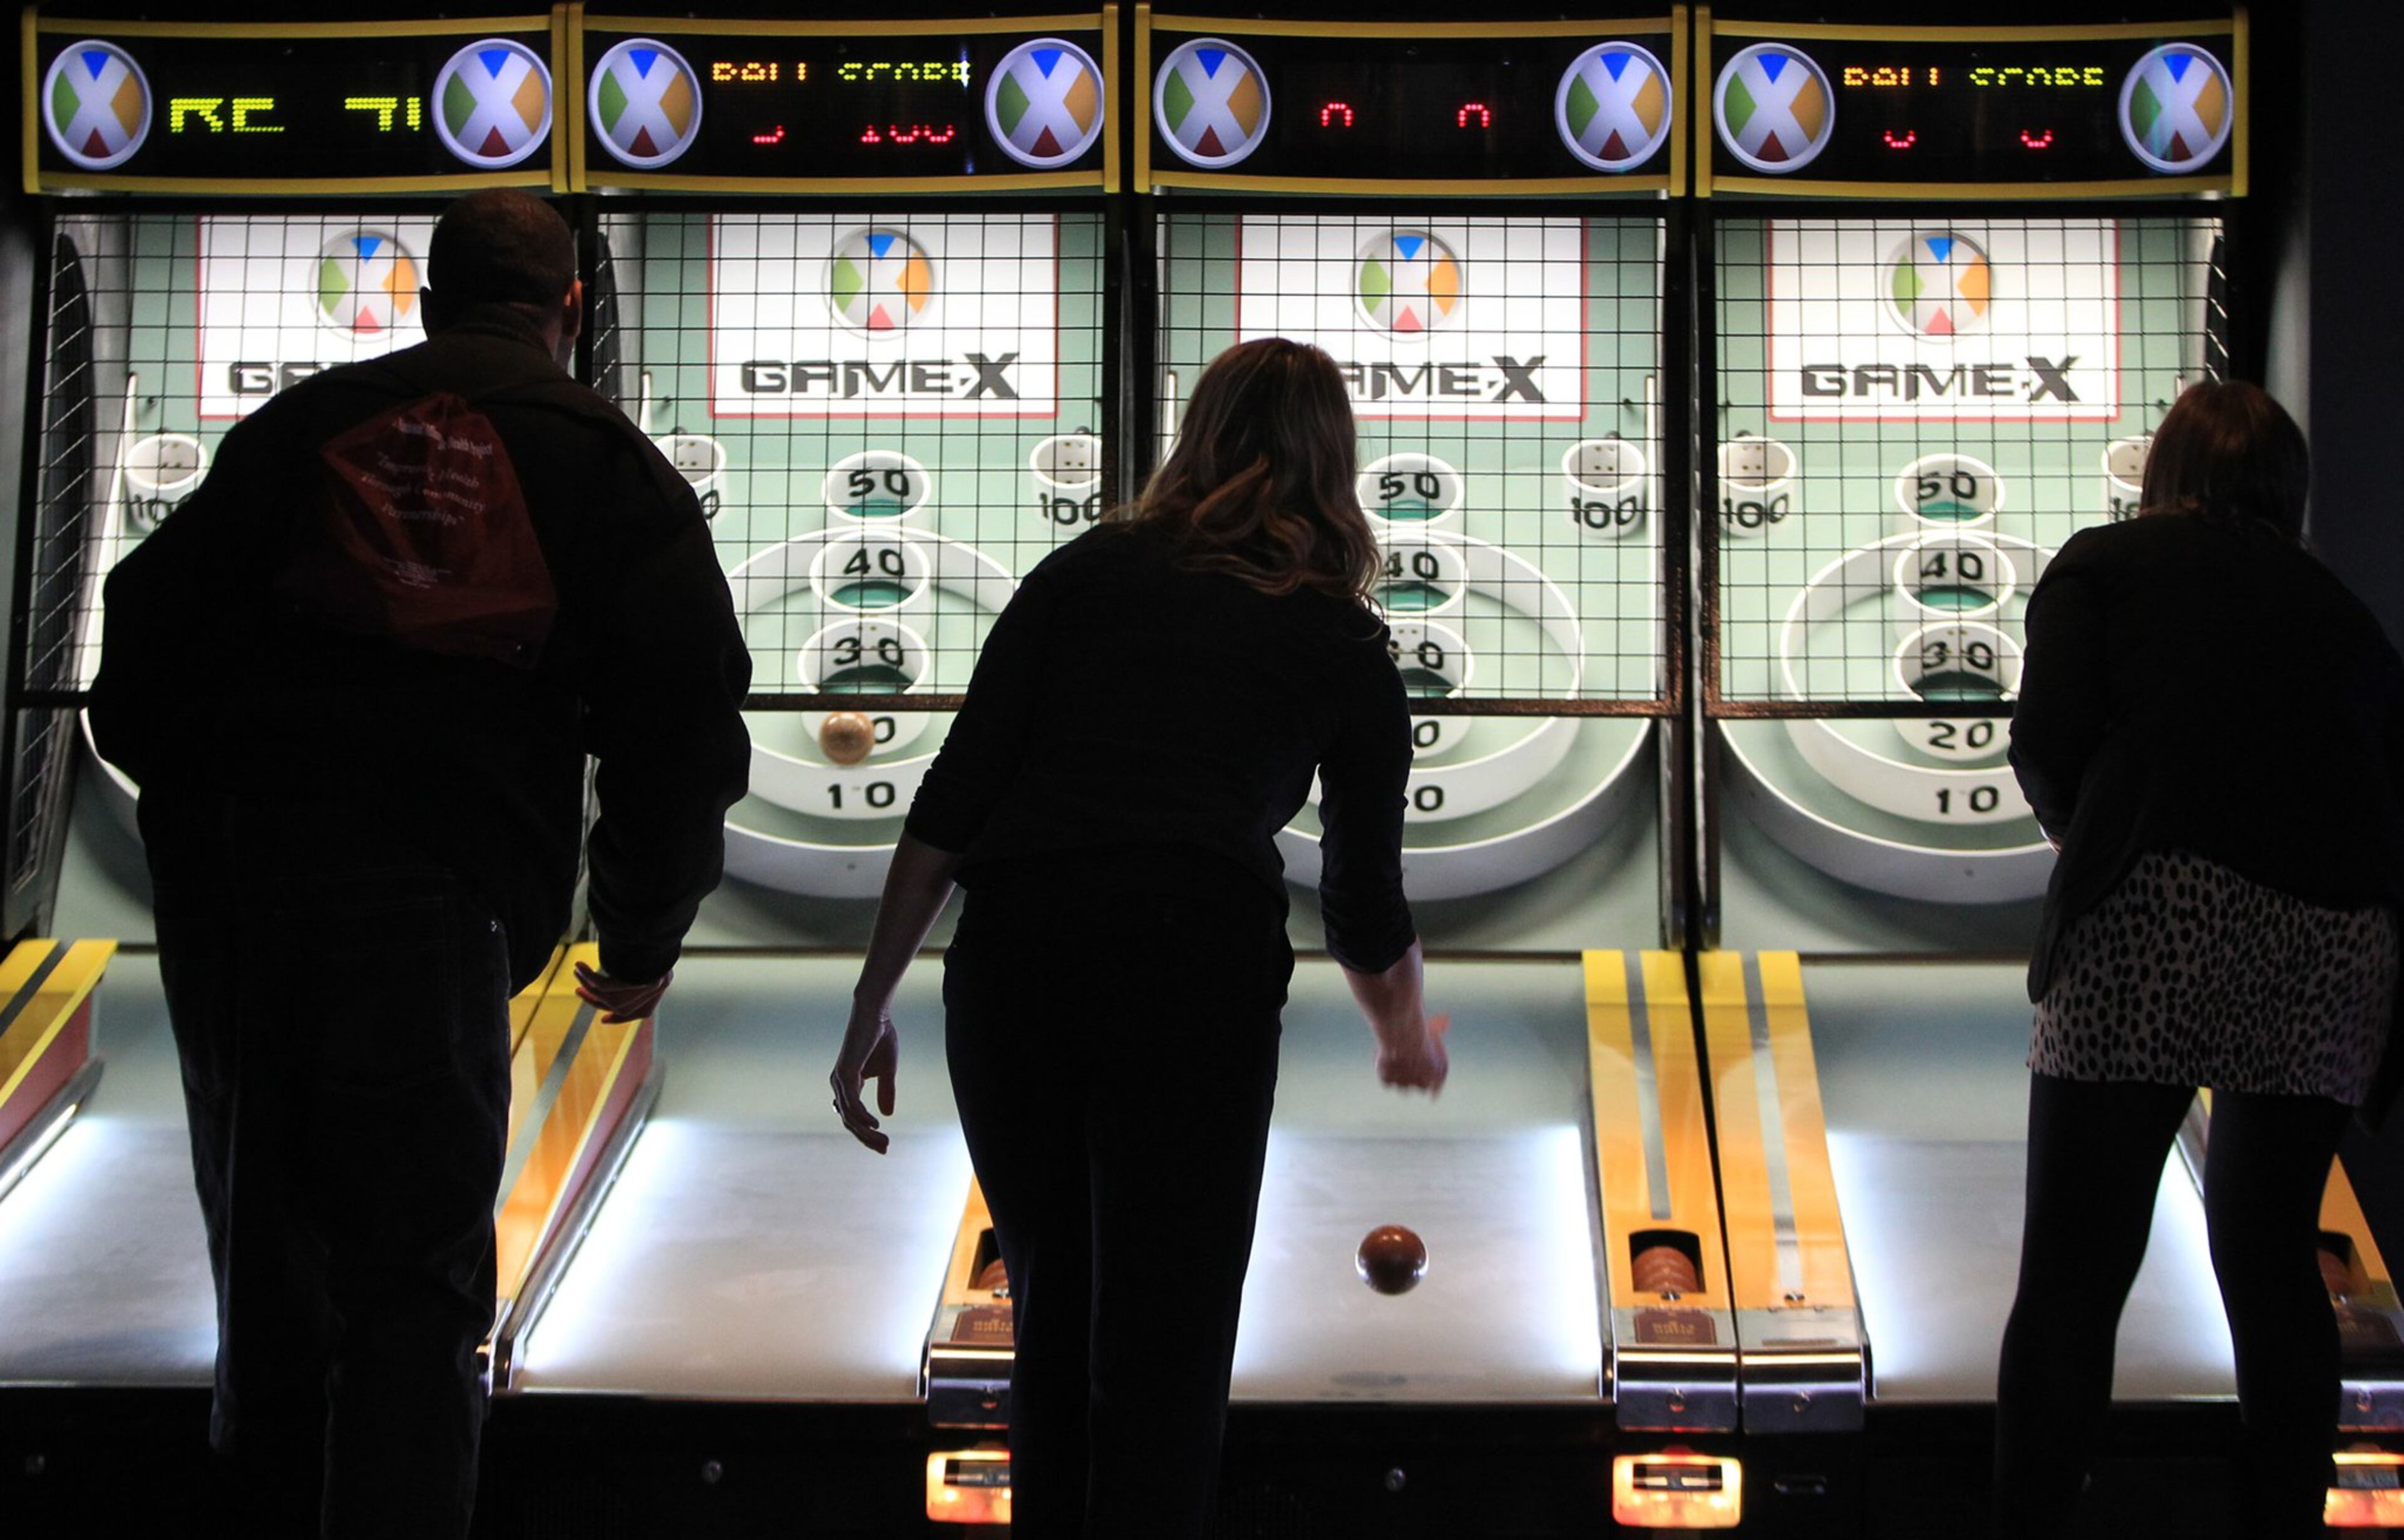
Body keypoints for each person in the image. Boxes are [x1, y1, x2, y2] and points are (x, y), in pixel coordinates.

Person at [88, 190, 752, 1538]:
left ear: (428, 297)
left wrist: (220, 819)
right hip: (427, 903)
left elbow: (134, 659)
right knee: (414, 1279)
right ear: (568, 308)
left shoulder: (299, 431)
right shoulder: (604, 463)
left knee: (269, 1262)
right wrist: (635, 936)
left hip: (238, 894)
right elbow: (681, 725)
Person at [829, 337, 1449, 1537]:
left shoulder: (1083, 574)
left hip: (1015, 966)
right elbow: (1365, 900)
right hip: (1191, 973)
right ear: (1335, 461)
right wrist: (1404, 1031)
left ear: (1200, 432)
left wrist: (873, 999)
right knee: (1165, 1356)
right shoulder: (1338, 635)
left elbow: (956, 796)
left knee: (1054, 1328)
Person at [1995, 379, 2404, 1537]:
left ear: (2163, 474)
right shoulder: (2345, 613)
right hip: (2333, 942)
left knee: (2076, 1273)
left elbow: (2047, 743)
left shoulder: (2107, 565)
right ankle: (2284, 1519)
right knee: (2275, 1264)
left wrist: (2091, 832)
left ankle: (2034, 1518)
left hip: (2156, 914)